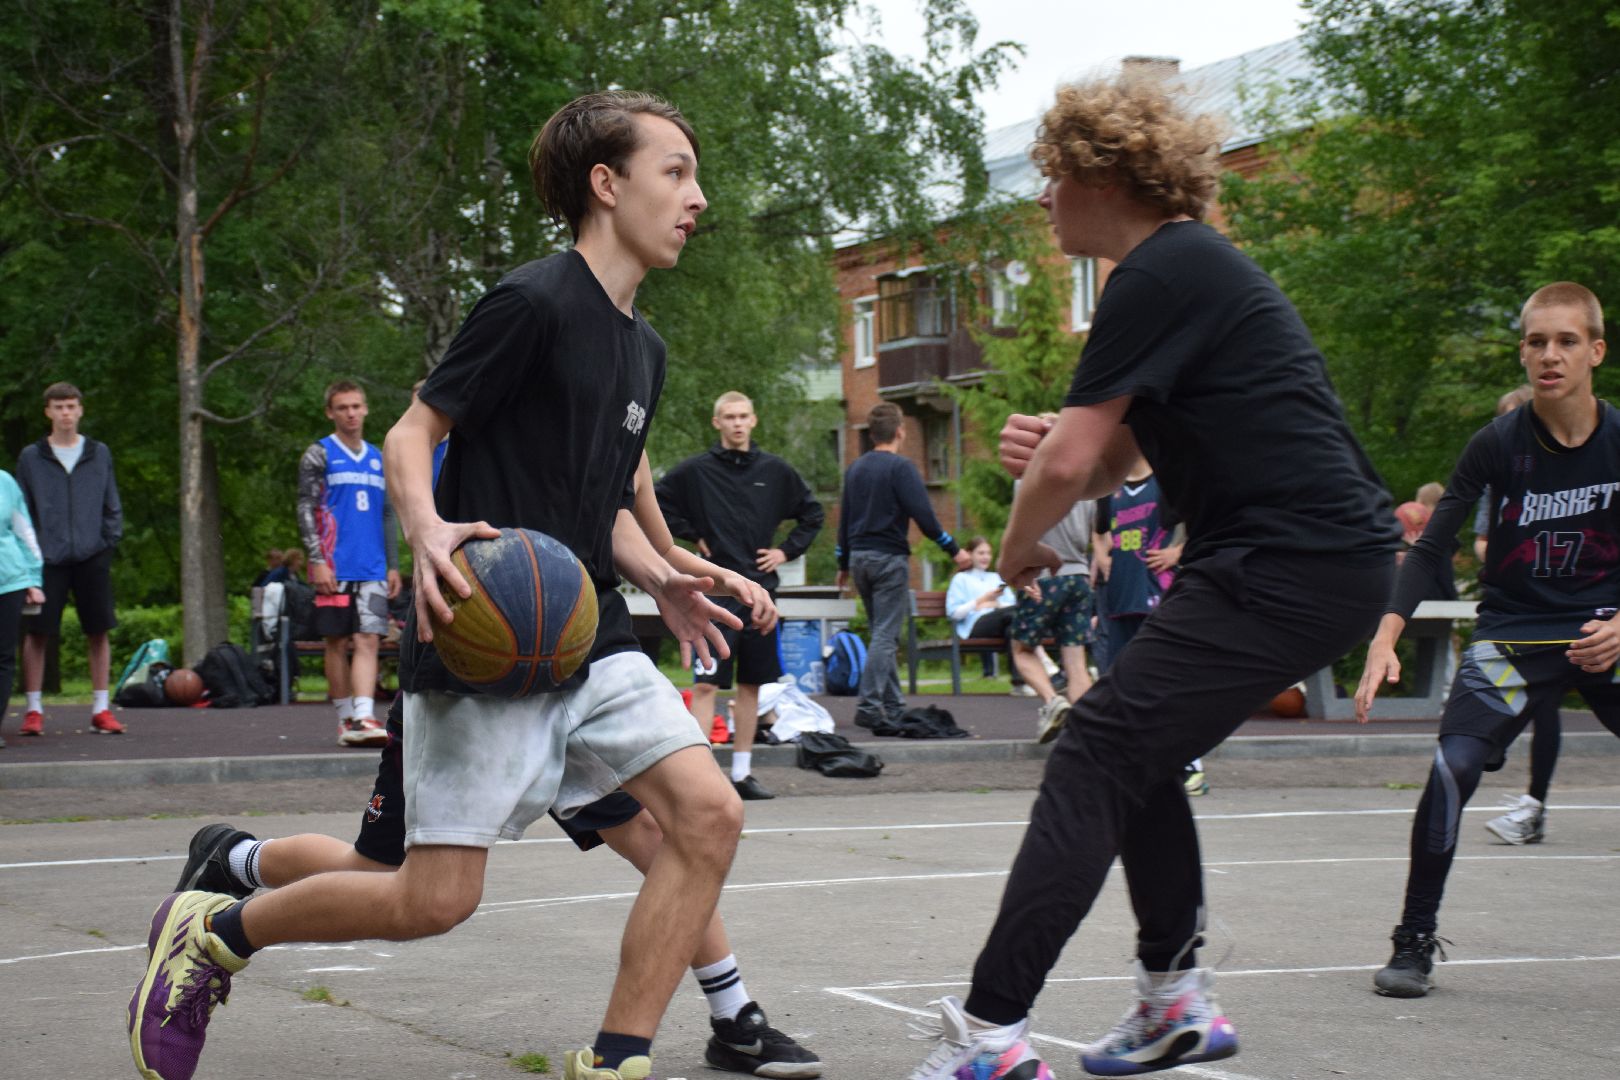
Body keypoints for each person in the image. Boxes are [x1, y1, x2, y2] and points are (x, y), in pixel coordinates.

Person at [130, 91, 757, 1080]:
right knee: (428, 899)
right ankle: (215, 936)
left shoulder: (646, 347)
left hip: (586, 628)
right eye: (675, 171)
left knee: (709, 816)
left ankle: (618, 1058)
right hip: (486, 629)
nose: (697, 197)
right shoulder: (533, 303)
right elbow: (413, 431)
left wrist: (668, 574)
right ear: (607, 184)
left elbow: (593, 505)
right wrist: (424, 529)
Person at [905, 73, 1398, 1080]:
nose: (1041, 197)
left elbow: (1077, 467)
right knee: (1131, 747)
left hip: (1291, 560)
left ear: (1100, 173)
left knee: (1094, 753)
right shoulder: (1177, 272)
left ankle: (993, 1039)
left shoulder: (1161, 271)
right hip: (1305, 558)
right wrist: (1054, 450)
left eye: (1050, 176)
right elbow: (1118, 457)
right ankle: (1173, 999)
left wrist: (1014, 549)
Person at [171, 695, 822, 1076]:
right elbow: (418, 482)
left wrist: (675, 568)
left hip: (576, 672)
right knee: (384, 878)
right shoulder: (474, 457)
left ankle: (734, 1015)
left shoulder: (624, 456)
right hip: (471, 677)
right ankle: (236, 857)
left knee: (662, 839)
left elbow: (629, 514)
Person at [1356, 282, 1620, 999]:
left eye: (1566, 341)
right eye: (1536, 342)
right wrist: (1386, 636)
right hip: (1514, 639)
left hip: (1607, 631)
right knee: (1451, 768)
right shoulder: (1498, 444)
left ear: (1595, 351)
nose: (1549, 355)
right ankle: (1413, 939)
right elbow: (1433, 548)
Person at [655, 390, 825, 801]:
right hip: (715, 591)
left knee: (752, 686)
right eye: (728, 416)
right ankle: (701, 779)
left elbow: (812, 514)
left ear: (753, 421)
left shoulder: (776, 471)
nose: (736, 422)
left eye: (743, 416)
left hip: (761, 592)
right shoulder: (696, 472)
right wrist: (693, 537)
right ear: (717, 423)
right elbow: (654, 501)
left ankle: (742, 774)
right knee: (708, 684)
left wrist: (786, 551)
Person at [836, 402, 972, 733]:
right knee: (886, 634)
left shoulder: (855, 469)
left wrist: (842, 563)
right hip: (888, 559)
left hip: (859, 559)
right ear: (900, 431)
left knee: (881, 630)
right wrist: (954, 550)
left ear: (871, 434)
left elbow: (844, 520)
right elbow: (924, 516)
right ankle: (868, 705)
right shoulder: (901, 468)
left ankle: (893, 703)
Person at [1472, 382, 1562, 845]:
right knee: (1520, 688)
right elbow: (1483, 541)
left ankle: (1532, 804)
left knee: (1545, 697)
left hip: (1570, 609)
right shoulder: (1498, 474)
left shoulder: (1579, 473)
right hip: (1517, 607)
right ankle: (1500, 751)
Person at [15, 382, 124, 736]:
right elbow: (21, 509)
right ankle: (33, 710)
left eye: (71, 406)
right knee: (37, 632)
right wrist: (31, 554)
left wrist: (107, 542)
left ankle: (101, 708)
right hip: (47, 559)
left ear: (80, 410)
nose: (65, 413)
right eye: (58, 407)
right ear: (47, 411)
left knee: (98, 630)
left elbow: (112, 503)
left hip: (92, 555)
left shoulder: (99, 453)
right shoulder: (32, 457)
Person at [298, 380, 403, 748]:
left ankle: (364, 715)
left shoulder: (378, 456)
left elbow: (388, 514)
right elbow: (306, 510)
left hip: (372, 567)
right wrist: (317, 560)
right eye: (343, 407)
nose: (351, 413)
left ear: (366, 408)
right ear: (330, 411)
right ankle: (346, 718)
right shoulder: (319, 454)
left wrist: (393, 565)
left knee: (369, 637)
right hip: (333, 566)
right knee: (337, 641)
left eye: (357, 406)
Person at [1090, 461, 1205, 794]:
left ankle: (1191, 764)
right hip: (1119, 600)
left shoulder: (1167, 480)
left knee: (1165, 684)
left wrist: (1178, 551)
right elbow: (1098, 531)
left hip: (1158, 594)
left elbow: (1208, 520)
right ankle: (1127, 764)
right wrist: (1103, 556)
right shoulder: (1108, 488)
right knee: (1118, 685)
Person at [1003, 469, 1098, 743]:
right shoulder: (1088, 479)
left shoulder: (1028, 476)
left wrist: (1018, 570)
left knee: (1022, 649)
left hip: (1042, 576)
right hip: (1078, 575)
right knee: (1076, 663)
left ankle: (1052, 700)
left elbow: (1019, 530)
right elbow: (1095, 530)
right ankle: (1088, 735)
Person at [0, 469, 44, 749]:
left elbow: (23, 531)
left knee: (3, 658)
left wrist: (33, 579)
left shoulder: (5, 481)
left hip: (9, 580)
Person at [944, 536, 1018, 679]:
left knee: (1013, 628)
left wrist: (995, 604)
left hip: (1001, 621)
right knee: (1015, 616)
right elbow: (954, 613)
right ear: (970, 554)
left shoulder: (996, 577)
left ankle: (1019, 682)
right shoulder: (961, 579)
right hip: (974, 626)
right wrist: (980, 601)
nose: (986, 557)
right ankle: (1044, 661)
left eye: (988, 553)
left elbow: (1013, 606)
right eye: (981, 553)